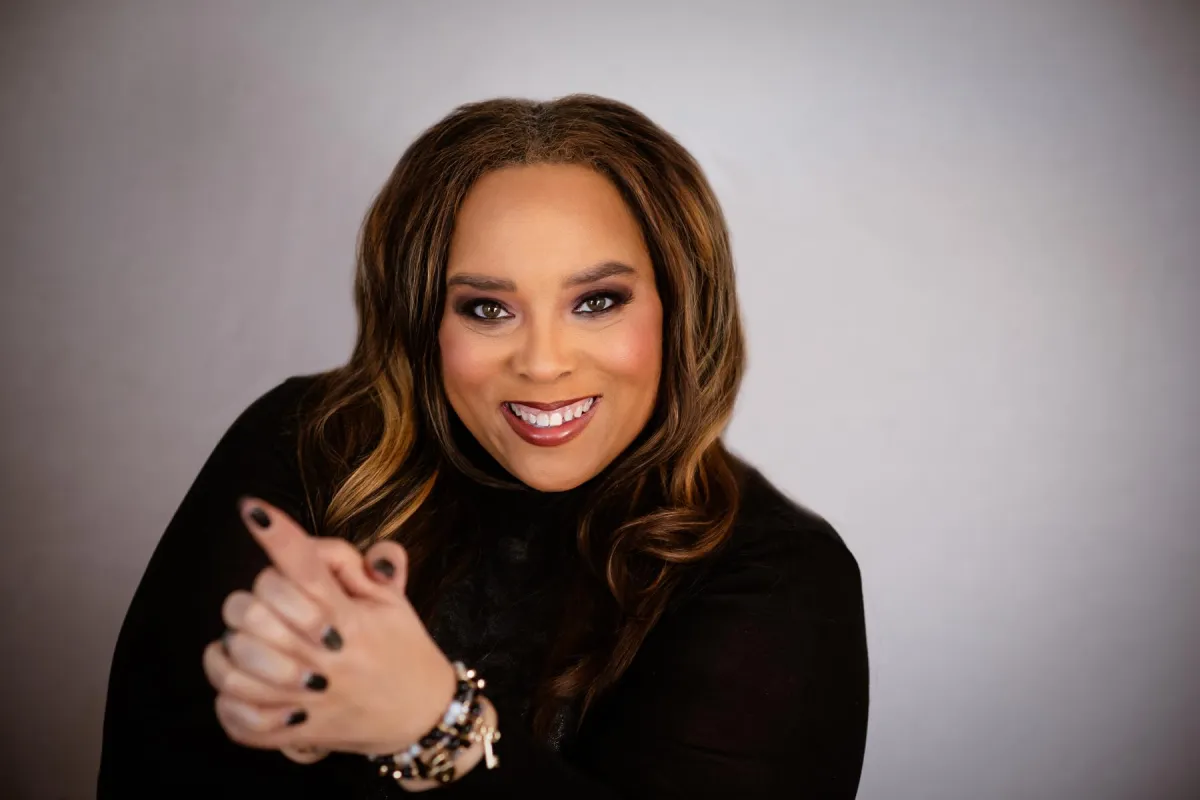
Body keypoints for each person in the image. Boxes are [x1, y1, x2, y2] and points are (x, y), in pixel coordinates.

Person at [97, 94, 869, 798]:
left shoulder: (781, 575)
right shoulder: (308, 445)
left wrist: (434, 725)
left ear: (681, 306)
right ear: (423, 320)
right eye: (487, 309)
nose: (542, 363)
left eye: (597, 301)